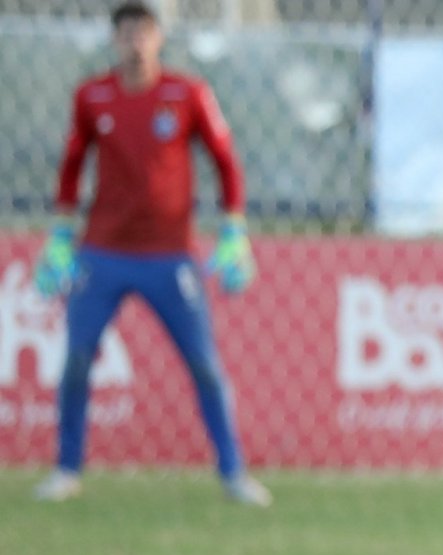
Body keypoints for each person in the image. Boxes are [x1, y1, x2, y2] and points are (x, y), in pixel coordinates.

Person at [33, 1, 268, 506]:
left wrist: (233, 230)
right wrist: (59, 236)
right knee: (76, 358)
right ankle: (67, 469)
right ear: (115, 40)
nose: (135, 41)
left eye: (144, 31)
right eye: (126, 32)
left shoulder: (188, 94)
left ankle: (233, 472)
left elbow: (226, 161)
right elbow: (73, 166)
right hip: (102, 253)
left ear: (159, 37)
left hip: (171, 256)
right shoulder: (92, 97)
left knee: (203, 364)